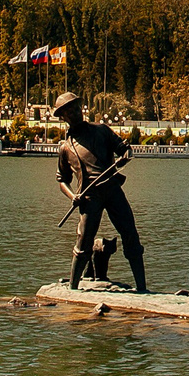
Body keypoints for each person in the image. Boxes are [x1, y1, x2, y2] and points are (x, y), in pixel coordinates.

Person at [53, 91, 145, 292]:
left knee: (130, 234)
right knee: (83, 242)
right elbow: (62, 180)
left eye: (77, 108)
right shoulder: (66, 148)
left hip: (112, 190)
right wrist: (73, 196)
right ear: (63, 117)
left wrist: (125, 156)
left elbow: (125, 149)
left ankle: (143, 289)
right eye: (70, 111)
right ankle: (73, 289)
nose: (75, 113)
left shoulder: (102, 131)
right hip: (88, 198)